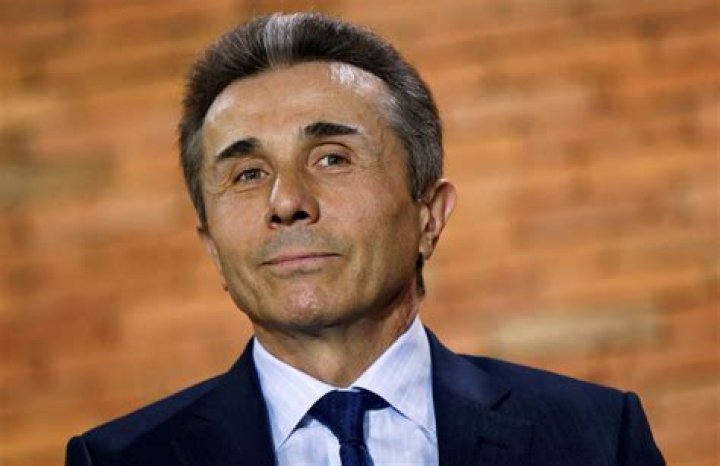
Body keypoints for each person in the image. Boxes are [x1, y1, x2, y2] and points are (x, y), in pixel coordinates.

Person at [65, 12, 665, 466]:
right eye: (248, 174)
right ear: (212, 249)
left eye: (331, 158)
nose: (286, 202)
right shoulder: (117, 461)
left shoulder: (595, 438)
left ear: (429, 216)